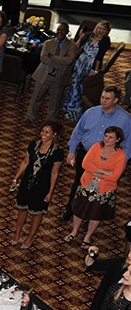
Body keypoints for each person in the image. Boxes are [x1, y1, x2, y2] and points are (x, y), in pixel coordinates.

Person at [61, 87, 131, 222]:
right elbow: (77, 133)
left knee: (102, 189)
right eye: (102, 97)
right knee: (79, 183)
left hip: (110, 161)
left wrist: (122, 164)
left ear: (116, 100)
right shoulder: (90, 112)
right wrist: (71, 151)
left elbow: (128, 144)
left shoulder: (125, 119)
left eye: (107, 98)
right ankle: (71, 209)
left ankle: (92, 216)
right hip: (86, 155)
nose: (103, 101)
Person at [67, 126, 126, 248]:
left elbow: (115, 177)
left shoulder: (121, 155)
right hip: (86, 184)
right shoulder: (96, 147)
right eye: (106, 136)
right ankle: (74, 231)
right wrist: (105, 172)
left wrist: (95, 170)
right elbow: (84, 164)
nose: (107, 139)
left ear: (118, 140)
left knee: (96, 213)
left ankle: (88, 236)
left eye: (111, 137)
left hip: (105, 189)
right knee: (78, 210)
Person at [11, 122, 64, 249]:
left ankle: (30, 237)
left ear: (54, 134)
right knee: (22, 209)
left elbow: (54, 173)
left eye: (47, 132)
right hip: (27, 182)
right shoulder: (33, 145)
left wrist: (50, 192)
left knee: (37, 213)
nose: (43, 134)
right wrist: (15, 178)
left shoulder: (57, 152)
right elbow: (25, 162)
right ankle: (17, 234)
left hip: (42, 185)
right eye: (42, 131)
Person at [25, 23, 78, 123]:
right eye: (59, 29)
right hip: (44, 75)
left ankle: (51, 122)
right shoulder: (48, 43)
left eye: (63, 30)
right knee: (36, 98)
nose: (60, 32)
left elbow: (69, 60)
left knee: (55, 102)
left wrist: (52, 57)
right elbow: (43, 58)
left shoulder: (72, 46)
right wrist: (59, 64)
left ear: (67, 32)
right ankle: (30, 117)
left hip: (59, 77)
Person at [64, 21, 112, 123]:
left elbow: (99, 57)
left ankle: (75, 114)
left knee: (80, 87)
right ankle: (69, 108)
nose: (101, 31)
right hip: (79, 64)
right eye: (100, 28)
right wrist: (81, 37)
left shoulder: (105, 41)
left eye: (104, 29)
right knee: (74, 85)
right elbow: (76, 47)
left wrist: (96, 70)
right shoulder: (90, 35)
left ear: (107, 32)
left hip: (90, 66)